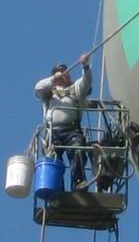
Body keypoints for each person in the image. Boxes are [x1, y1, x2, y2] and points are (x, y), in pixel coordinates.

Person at [34, 53, 92, 191]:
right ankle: (56, 187)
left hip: (71, 130)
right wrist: (54, 79)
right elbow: (38, 88)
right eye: (61, 72)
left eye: (66, 72)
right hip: (53, 132)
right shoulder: (48, 92)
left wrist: (85, 65)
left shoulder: (75, 89)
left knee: (78, 150)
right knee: (53, 158)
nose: (64, 75)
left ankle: (78, 182)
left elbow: (87, 81)